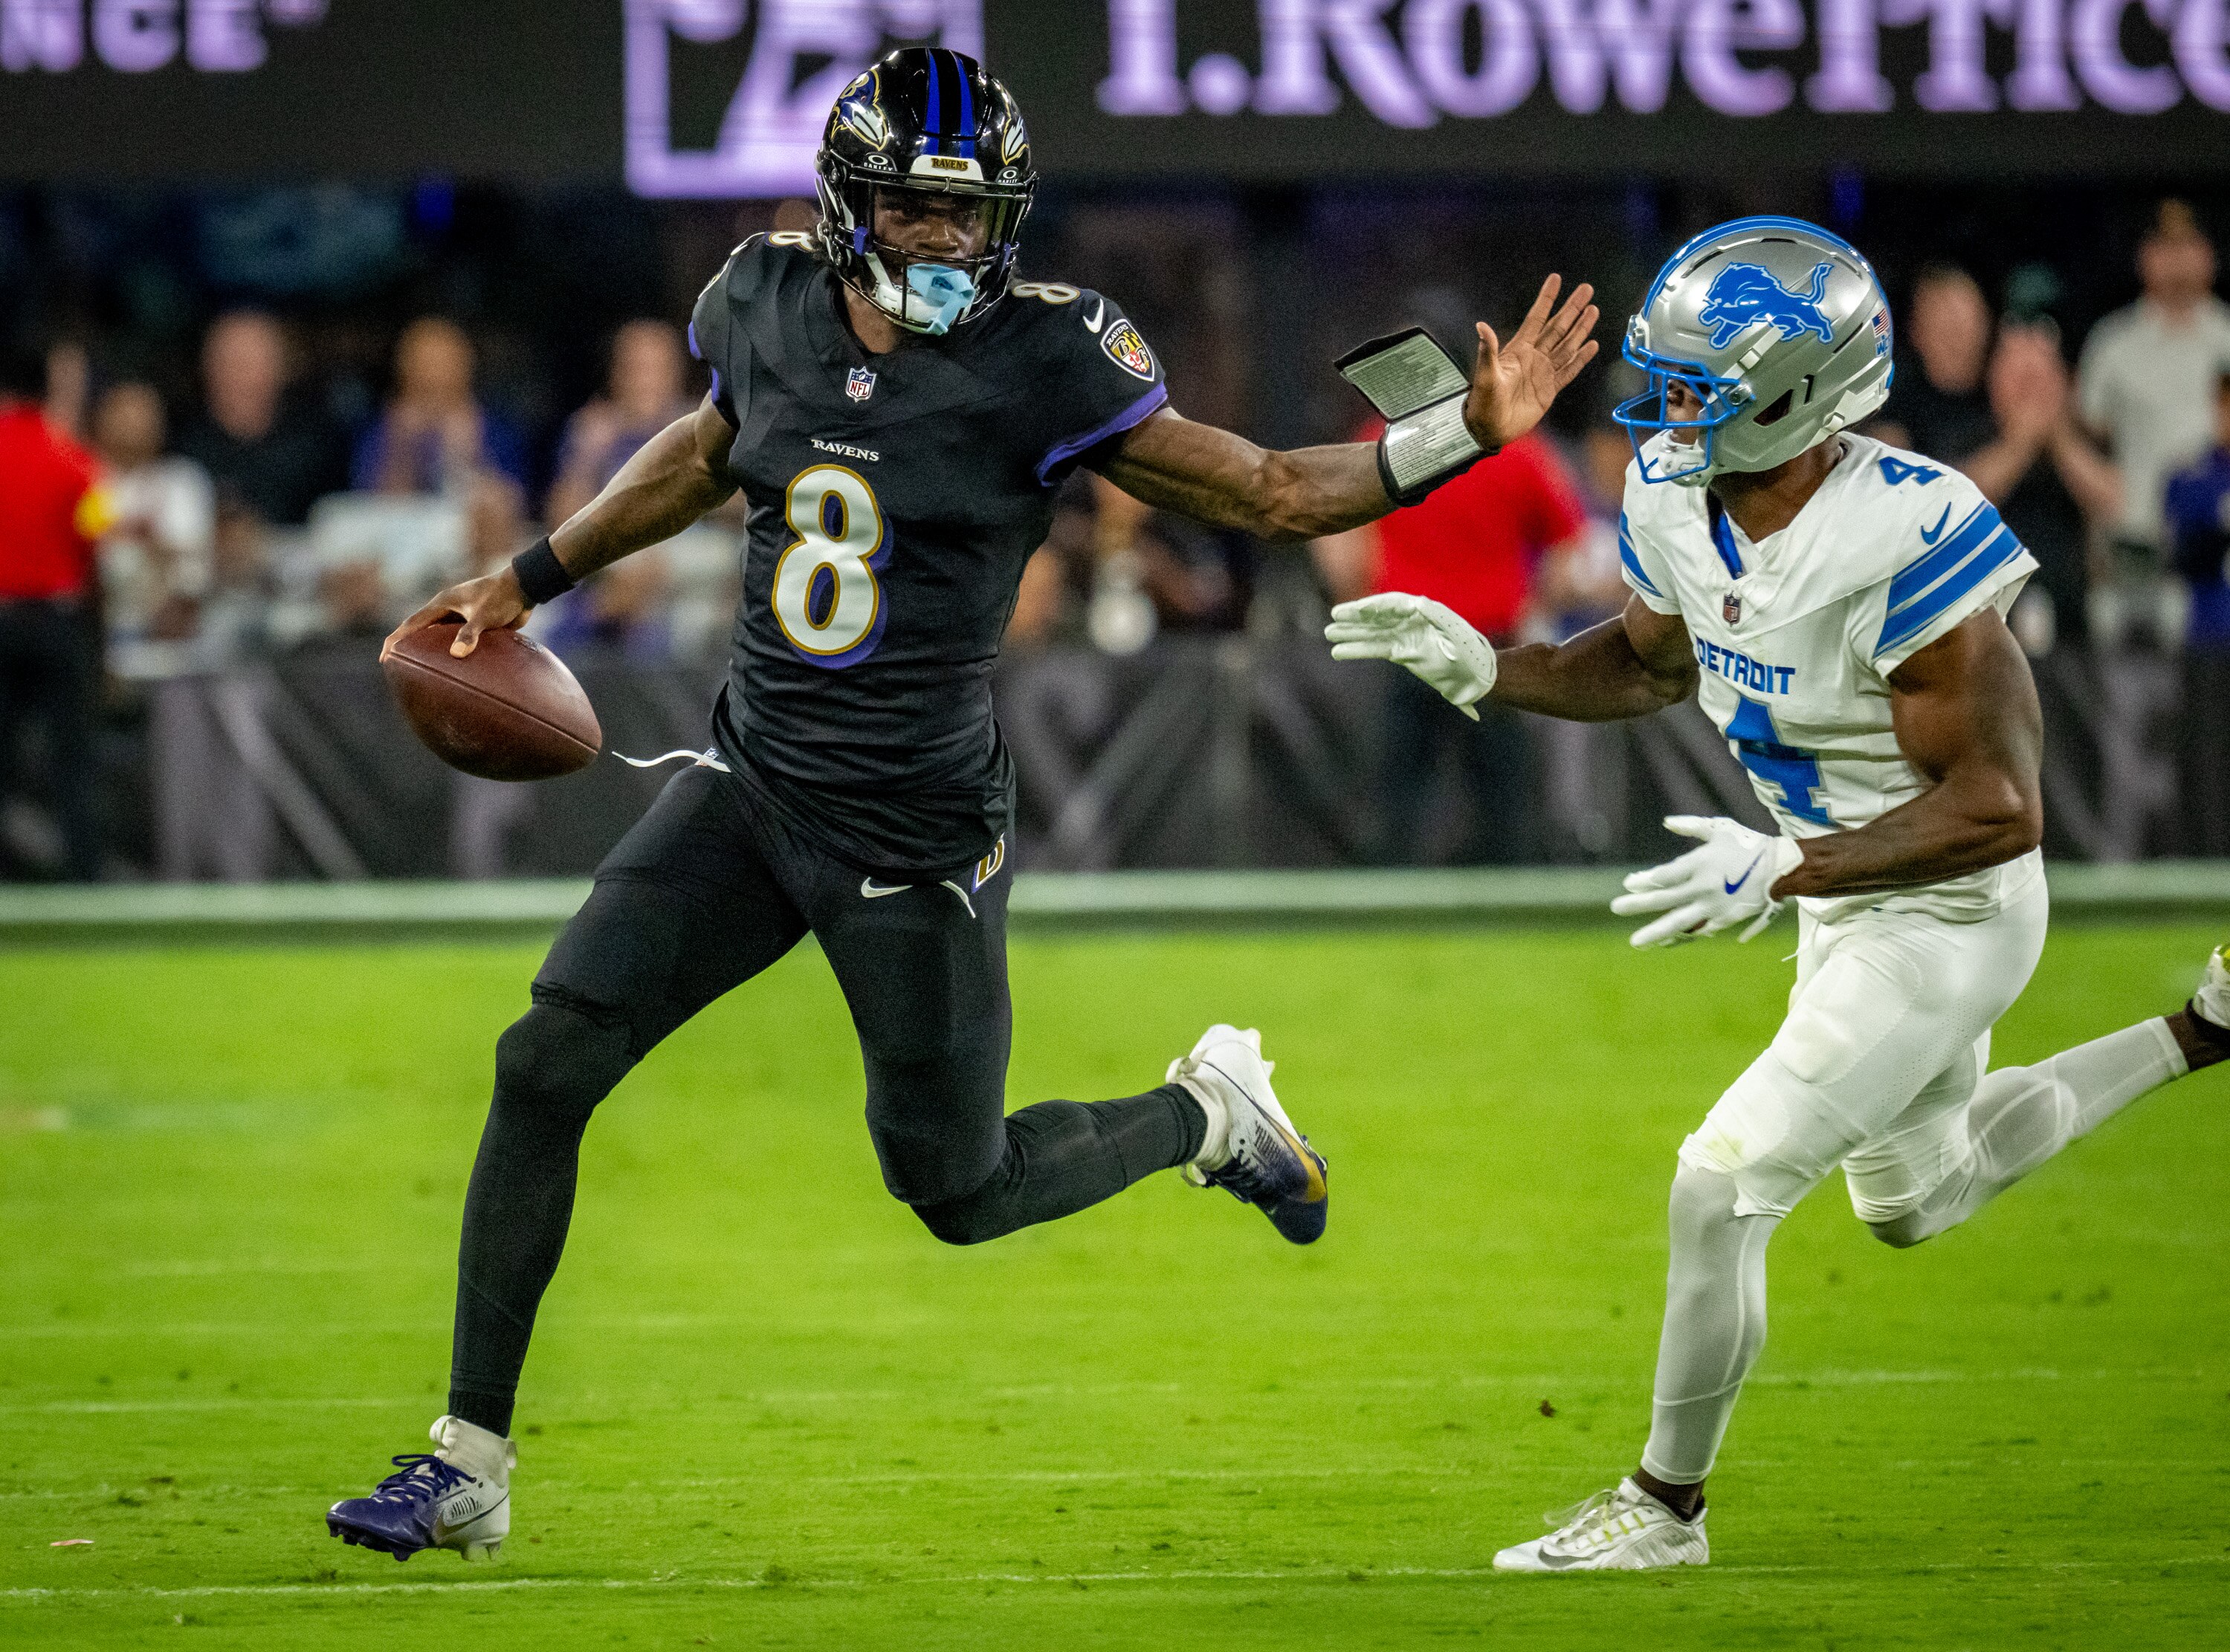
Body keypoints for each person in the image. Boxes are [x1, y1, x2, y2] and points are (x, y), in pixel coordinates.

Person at [323, 45, 1601, 1564]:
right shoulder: (765, 299)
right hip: (753, 781)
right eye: (918, 213)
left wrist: (1459, 430)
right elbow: (713, 446)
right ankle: (469, 1459)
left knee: (959, 1184)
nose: (949, 244)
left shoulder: (1047, 356)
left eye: (972, 216)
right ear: (846, 206)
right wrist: (533, 576)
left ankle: (1206, 1112)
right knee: (545, 1055)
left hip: (909, 835)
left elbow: (1267, 488)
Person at [1328, 217, 2230, 1571]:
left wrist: (1789, 860)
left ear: (1799, 391)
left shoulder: (1907, 528)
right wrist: (1493, 670)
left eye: (1698, 387)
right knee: (1915, 1196)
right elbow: (1648, 661)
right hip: (1839, 895)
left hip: (1955, 907)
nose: (1664, 413)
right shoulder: (1680, 502)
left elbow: (2002, 806)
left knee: (1721, 1179)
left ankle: (1662, 1504)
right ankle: (2205, 1027)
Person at [1316, 415, 1591, 864]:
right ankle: (1511, 906)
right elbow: (1570, 544)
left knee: (1395, 797)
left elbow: (1340, 544)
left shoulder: (1381, 442)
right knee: (1505, 798)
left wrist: (1359, 600)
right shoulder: (1517, 447)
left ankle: (1383, 908)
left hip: (1406, 641)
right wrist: (1535, 608)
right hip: (1492, 643)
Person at [1875, 266, 2117, 648]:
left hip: (2069, 621)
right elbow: (1940, 509)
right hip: (1971, 619)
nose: (1959, 327)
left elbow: (2115, 502)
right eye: (1944, 315)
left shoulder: (2052, 420)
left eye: (1967, 313)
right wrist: (2019, 444)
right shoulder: (1932, 421)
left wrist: (2056, 433)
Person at [0, 341, 107, 881]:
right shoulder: (73, 460)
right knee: (72, 757)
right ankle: (83, 875)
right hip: (56, 625)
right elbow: (94, 545)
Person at [2078, 201, 2230, 570]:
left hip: (2221, 547)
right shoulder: (2112, 343)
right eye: (2165, 246)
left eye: (2188, 244)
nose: (2177, 259)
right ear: (2144, 257)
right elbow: (2090, 436)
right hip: (2137, 544)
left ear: (2209, 254)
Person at [176, 311, 342, 528]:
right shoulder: (180, 447)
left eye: (252, 362)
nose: (239, 375)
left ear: (280, 369)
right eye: (229, 362)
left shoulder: (318, 446)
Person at [91, 383, 216, 648]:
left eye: (142, 416)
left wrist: (136, 537)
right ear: (100, 420)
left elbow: (192, 559)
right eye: (121, 414)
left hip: (168, 629)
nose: (131, 425)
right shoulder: (83, 480)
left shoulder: (181, 480)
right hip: (96, 626)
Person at [2163, 370, 2230, 855]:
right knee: (2209, 765)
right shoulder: (2195, 474)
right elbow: (2183, 551)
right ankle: (2209, 869)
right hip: (2211, 638)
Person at [352, 317, 528, 498]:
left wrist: (463, 452)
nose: (432, 379)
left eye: (443, 365)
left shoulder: (498, 435)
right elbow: (371, 505)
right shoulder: (379, 434)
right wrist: (402, 446)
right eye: (423, 366)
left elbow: (510, 505)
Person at [543, 320, 697, 528]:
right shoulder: (592, 428)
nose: (647, 383)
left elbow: (740, 510)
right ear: (616, 375)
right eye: (639, 369)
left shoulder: (700, 425)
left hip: (690, 546)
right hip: (613, 544)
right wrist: (587, 457)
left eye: (659, 370)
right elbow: (560, 523)